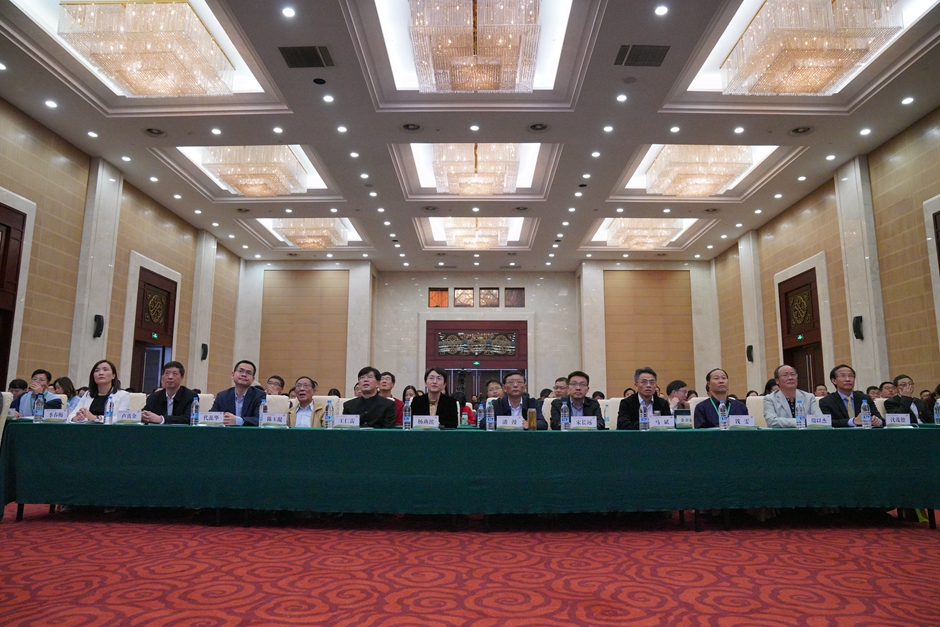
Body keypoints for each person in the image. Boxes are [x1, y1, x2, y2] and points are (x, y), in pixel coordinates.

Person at [819, 364, 884, 428]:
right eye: (843, 376)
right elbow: (829, 422)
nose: (848, 379)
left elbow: (881, 419)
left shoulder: (865, 398)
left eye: (850, 376)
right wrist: (853, 421)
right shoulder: (826, 401)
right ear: (834, 381)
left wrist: (878, 422)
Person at [481, 370, 547, 430]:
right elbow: (483, 423)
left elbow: (543, 424)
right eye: (511, 382)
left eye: (519, 382)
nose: (515, 385)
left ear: (524, 387)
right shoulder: (497, 404)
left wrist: (529, 424)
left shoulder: (532, 403)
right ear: (504, 388)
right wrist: (511, 424)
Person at [209, 360, 266, 426]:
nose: (244, 375)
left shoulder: (259, 395)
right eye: (241, 371)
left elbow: (260, 419)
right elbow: (211, 417)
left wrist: (238, 421)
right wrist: (223, 419)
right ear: (233, 375)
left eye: (248, 373)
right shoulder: (222, 396)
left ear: (253, 379)